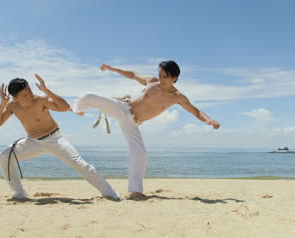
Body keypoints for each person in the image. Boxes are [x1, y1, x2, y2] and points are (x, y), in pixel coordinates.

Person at [72, 61, 220, 197]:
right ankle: (76, 108)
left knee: (140, 156)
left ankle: (135, 191)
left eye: (164, 77)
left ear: (174, 78)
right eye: (159, 75)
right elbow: (133, 75)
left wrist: (209, 120)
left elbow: (196, 111)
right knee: (88, 96)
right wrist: (112, 69)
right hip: (123, 108)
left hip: (133, 123)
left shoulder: (178, 97)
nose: (160, 79)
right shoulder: (152, 82)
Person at [0, 74, 119, 200]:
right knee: (4, 157)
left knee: (81, 165)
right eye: (24, 95)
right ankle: (19, 193)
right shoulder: (12, 106)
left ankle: (109, 193)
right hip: (33, 142)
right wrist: (3, 104)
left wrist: (46, 91)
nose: (29, 96)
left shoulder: (41, 100)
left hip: (54, 139)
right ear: (15, 98)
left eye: (29, 91)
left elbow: (64, 107)